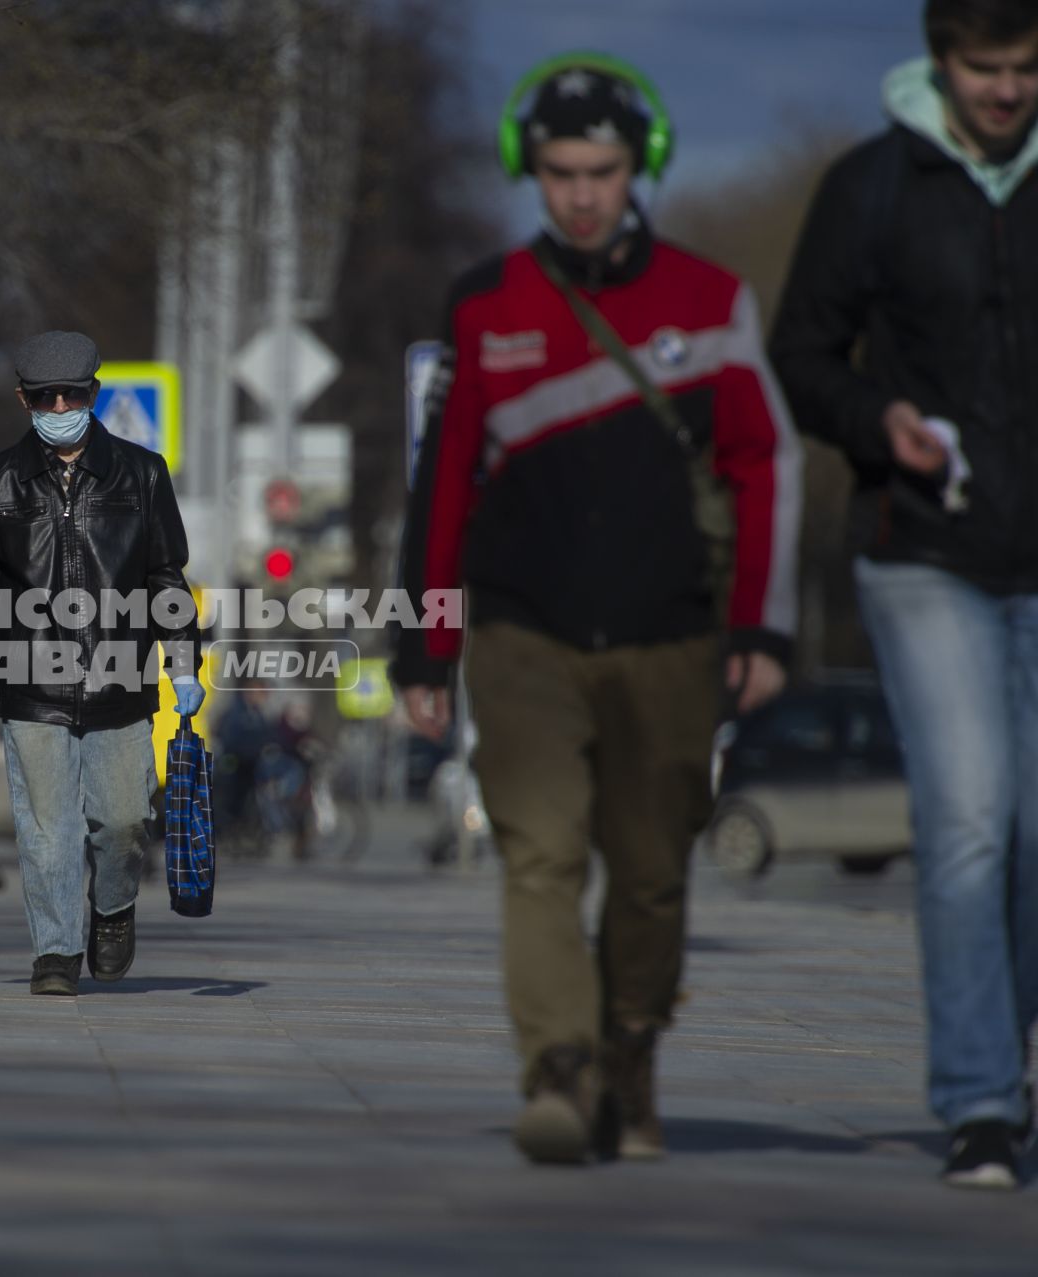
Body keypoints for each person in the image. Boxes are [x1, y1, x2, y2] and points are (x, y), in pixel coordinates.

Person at [392, 53, 803, 1165]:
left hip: (671, 636)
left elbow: (764, 462)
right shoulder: (484, 304)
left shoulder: (711, 303)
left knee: (653, 870)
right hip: (523, 634)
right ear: (533, 170)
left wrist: (762, 629)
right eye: (561, 171)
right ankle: (561, 1072)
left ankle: (629, 1048)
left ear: (641, 166)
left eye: (603, 170)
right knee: (541, 853)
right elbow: (440, 491)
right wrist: (424, 643)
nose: (581, 193)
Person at [770, 0, 1038, 1191]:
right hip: (920, 545)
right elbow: (800, 355)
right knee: (972, 818)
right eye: (986, 70)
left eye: (1028, 70)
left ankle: (1013, 1060)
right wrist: (873, 417)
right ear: (941, 64)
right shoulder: (871, 187)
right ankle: (982, 1100)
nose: (1007, 92)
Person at [0, 331, 202, 996]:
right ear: (24, 399)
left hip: (123, 684)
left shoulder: (141, 475)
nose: (61, 404)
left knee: (122, 821)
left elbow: (167, 578)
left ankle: (111, 907)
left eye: (73, 393)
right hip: (34, 687)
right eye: (46, 396)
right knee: (48, 833)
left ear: (95, 394)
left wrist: (185, 663)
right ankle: (55, 952)